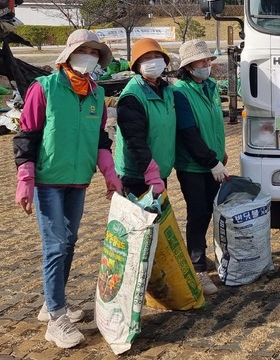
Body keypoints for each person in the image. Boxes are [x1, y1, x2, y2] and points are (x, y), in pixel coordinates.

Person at [13, 29, 122, 348]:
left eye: (94, 52)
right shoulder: (44, 87)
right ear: (70, 52)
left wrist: (110, 173)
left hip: (78, 181)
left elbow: (101, 139)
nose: (89, 56)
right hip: (48, 181)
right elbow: (27, 135)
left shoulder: (97, 94)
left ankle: (52, 303)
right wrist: (25, 176)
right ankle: (56, 318)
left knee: (70, 241)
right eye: (84, 50)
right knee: (56, 244)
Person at [174, 39, 228, 295]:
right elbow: (188, 134)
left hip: (214, 162)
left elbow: (214, 123)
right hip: (194, 166)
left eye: (208, 60)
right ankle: (197, 269)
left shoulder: (211, 87)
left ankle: (200, 256)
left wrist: (221, 153)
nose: (207, 65)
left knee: (209, 211)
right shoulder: (181, 92)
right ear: (188, 66)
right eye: (202, 61)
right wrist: (211, 161)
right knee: (197, 213)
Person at [115, 38, 176, 198]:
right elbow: (135, 140)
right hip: (137, 175)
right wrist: (151, 172)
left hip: (159, 171)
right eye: (147, 58)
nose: (154, 61)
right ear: (137, 65)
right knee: (139, 222)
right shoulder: (132, 95)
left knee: (157, 221)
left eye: (157, 56)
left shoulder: (165, 90)